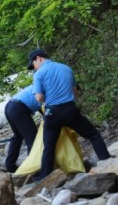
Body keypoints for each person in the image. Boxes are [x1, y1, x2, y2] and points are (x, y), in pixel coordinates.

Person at [29, 49, 110, 179]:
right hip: (70, 111)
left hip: (52, 113)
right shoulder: (66, 68)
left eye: (33, 64)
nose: (34, 67)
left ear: (38, 58)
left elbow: (38, 98)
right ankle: (106, 162)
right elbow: (75, 91)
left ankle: (45, 177)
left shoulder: (39, 74)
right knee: (93, 135)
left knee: (49, 147)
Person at [4, 85, 41, 173]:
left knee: (18, 136)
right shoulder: (47, 88)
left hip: (9, 106)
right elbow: (45, 106)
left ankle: (10, 166)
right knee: (32, 139)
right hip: (19, 108)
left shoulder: (38, 84)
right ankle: (34, 169)